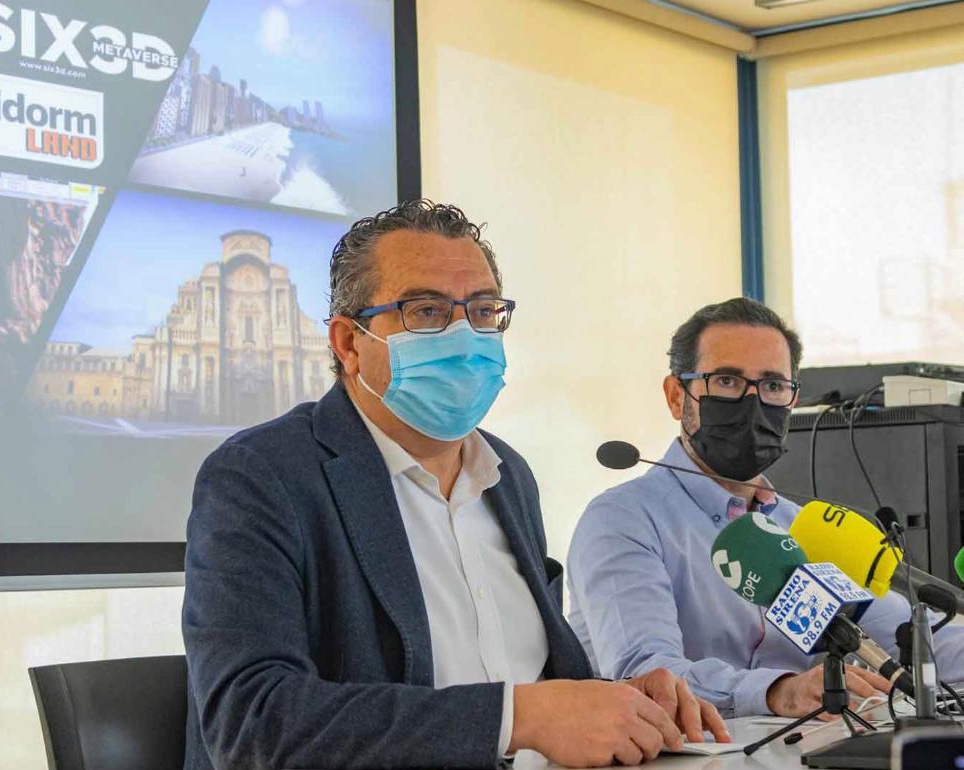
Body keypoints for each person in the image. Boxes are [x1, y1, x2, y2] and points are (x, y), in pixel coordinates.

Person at [182, 200, 727, 770]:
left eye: (485, 311)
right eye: (426, 311)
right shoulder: (260, 476)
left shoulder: (508, 475)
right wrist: (519, 719)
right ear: (348, 343)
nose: (466, 336)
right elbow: (252, 722)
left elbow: (535, 681)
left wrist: (623, 703)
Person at [566, 297, 964, 719]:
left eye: (773, 385)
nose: (753, 403)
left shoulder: (803, 531)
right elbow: (648, 675)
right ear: (675, 396)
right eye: (727, 381)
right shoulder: (624, 520)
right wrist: (779, 691)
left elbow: (914, 641)